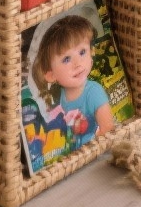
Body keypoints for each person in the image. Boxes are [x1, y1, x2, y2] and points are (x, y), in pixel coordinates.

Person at [32, 14, 114, 147]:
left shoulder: (94, 92)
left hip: (95, 152)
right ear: (51, 75)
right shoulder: (60, 96)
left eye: (82, 52)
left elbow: (109, 129)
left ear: (91, 54)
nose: (77, 63)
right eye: (66, 59)